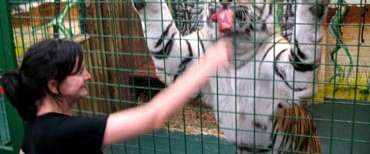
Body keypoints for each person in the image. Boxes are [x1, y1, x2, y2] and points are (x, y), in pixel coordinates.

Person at [0, 38, 232, 154]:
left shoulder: (35, 122)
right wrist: (207, 63)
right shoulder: (62, 132)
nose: (88, 76)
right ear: (53, 85)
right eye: (79, 72)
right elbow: (153, 117)